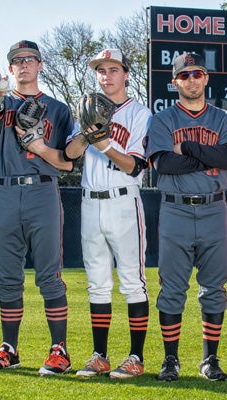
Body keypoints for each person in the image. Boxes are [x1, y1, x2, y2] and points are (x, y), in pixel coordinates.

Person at [0, 40, 74, 375]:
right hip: (5, 191)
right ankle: (9, 349)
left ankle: (59, 350)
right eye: (17, 61)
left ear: (40, 64)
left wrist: (40, 146)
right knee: (7, 277)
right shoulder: (3, 104)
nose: (23, 65)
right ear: (10, 68)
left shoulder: (58, 109)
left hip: (43, 192)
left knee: (49, 275)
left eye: (30, 59)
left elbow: (67, 163)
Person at [146, 52, 227, 382]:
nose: (191, 80)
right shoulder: (162, 120)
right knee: (172, 287)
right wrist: (207, 156)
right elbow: (163, 164)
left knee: (214, 287)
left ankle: (209, 360)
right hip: (175, 208)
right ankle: (170, 360)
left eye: (196, 73)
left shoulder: (223, 119)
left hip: (216, 207)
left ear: (206, 78)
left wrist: (186, 148)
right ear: (175, 83)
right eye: (184, 75)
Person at [64, 49, 152, 379]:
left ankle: (135, 357)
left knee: (132, 281)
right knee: (97, 284)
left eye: (113, 69)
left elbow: (134, 166)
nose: (106, 76)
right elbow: (69, 154)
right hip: (90, 200)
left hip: (123, 200)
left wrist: (103, 143)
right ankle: (99, 355)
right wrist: (89, 132)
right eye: (101, 70)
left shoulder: (140, 114)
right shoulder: (88, 111)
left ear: (126, 74)